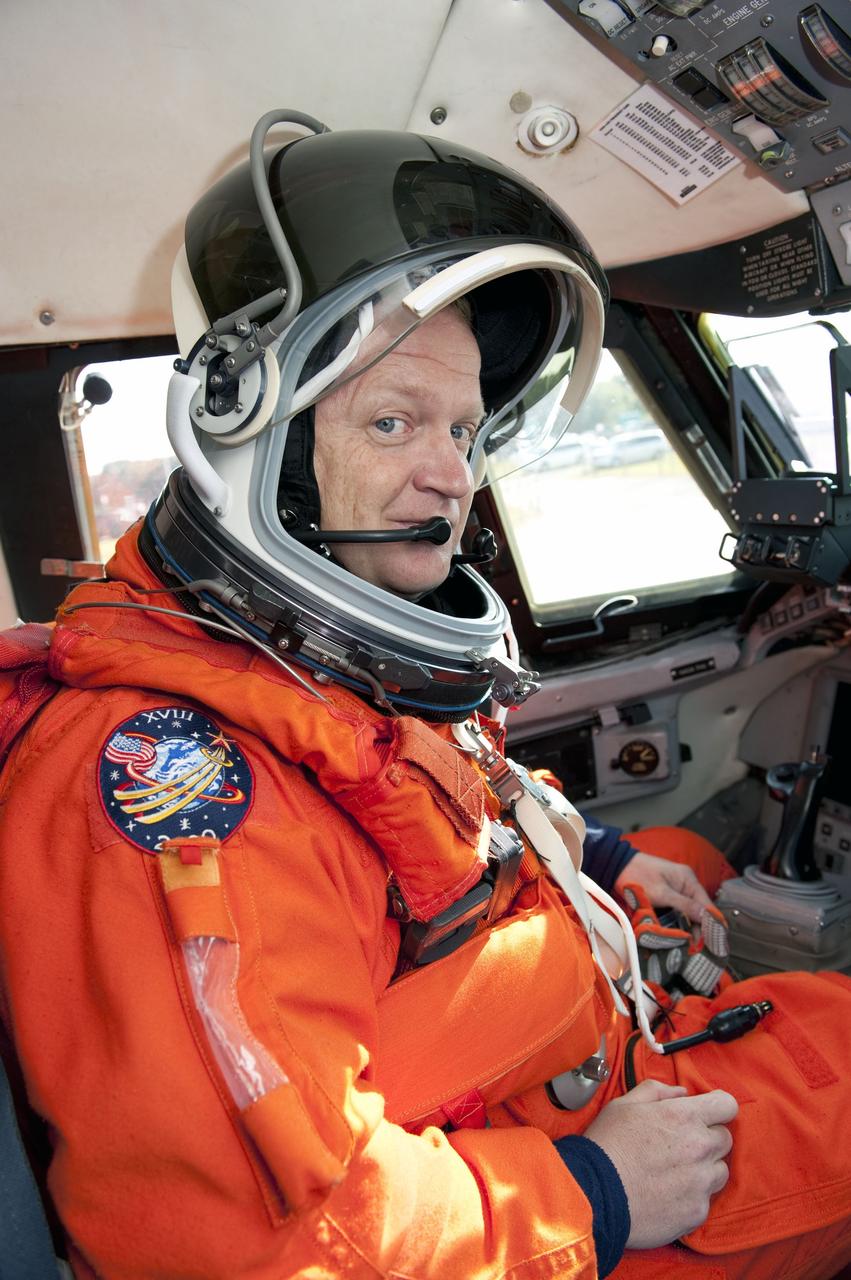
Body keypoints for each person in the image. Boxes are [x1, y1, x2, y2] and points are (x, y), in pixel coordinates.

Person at [0, 110, 849, 1280]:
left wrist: (598, 858)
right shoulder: (182, 797)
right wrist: (599, 1188)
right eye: (393, 420)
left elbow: (442, 785)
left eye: (461, 425)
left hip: (529, 1066)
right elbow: (251, 1247)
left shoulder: (284, 649)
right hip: (531, 1188)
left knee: (687, 863)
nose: (452, 472)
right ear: (267, 447)